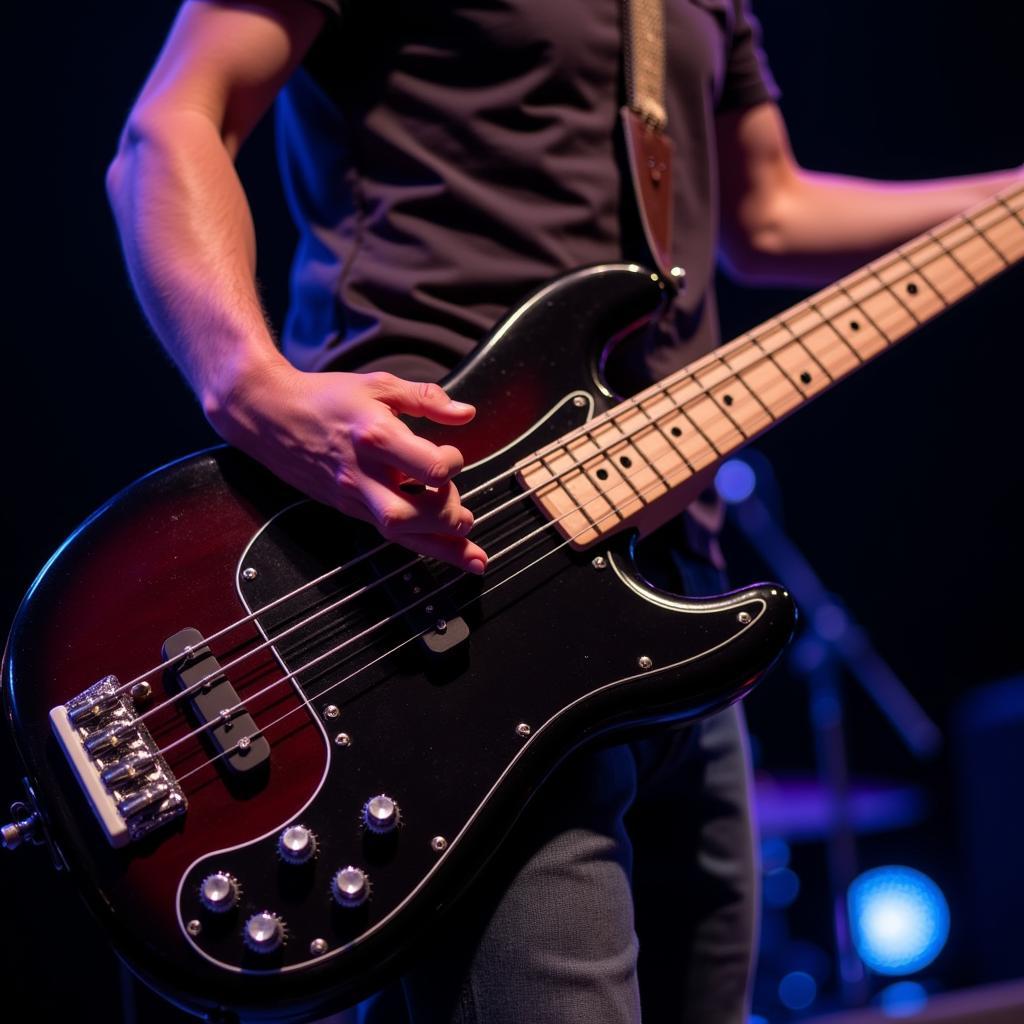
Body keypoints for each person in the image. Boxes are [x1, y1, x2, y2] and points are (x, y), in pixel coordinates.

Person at [105, 2, 1020, 1021]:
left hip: (670, 589)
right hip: (445, 579)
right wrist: (249, 383)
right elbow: (174, 124)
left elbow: (765, 211)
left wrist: (1009, 205)